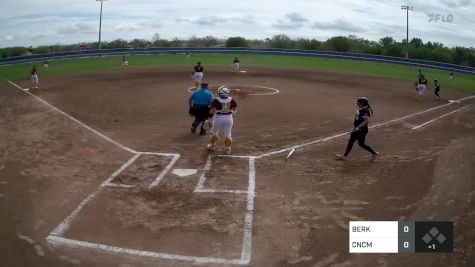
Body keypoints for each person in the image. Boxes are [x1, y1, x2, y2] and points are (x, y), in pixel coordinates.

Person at [207, 86, 238, 154]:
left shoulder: (216, 100)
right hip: (229, 118)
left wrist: (208, 118)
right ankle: (227, 149)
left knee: (214, 132)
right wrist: (230, 112)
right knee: (228, 134)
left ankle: (212, 146)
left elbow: (212, 111)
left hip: (218, 118)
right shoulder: (232, 100)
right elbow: (235, 111)